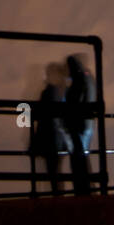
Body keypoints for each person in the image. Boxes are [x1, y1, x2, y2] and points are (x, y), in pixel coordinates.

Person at [31, 62, 68, 194]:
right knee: (55, 171)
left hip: (49, 138)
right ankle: (58, 198)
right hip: (58, 138)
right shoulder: (61, 90)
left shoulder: (49, 91)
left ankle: (57, 199)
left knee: (53, 171)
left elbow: (38, 113)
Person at [63, 54, 96, 195]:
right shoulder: (88, 79)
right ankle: (87, 190)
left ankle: (82, 191)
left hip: (78, 125)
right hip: (86, 124)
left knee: (78, 160)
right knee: (82, 158)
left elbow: (73, 102)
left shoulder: (78, 81)